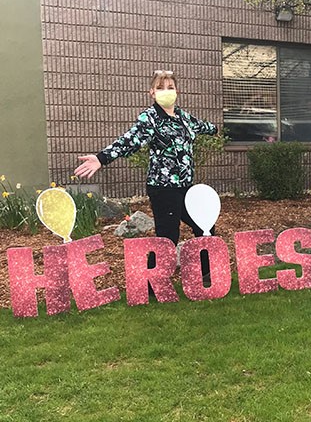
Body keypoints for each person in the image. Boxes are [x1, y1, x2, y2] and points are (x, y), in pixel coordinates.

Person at [74, 70, 218, 278]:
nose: (166, 91)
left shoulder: (183, 117)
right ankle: (152, 283)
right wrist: (101, 158)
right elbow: (128, 140)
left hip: (186, 186)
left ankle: (207, 275)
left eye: (170, 87)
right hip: (163, 187)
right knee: (168, 237)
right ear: (152, 92)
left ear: (177, 91)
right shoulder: (150, 118)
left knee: (204, 224)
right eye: (160, 88)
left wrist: (215, 130)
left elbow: (201, 127)